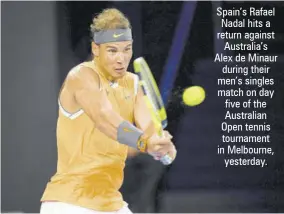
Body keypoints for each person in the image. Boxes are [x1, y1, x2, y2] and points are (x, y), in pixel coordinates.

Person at [40, 8, 177, 214]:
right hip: (69, 204)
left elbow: (147, 127)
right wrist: (145, 143)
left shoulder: (132, 83)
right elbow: (106, 120)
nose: (121, 58)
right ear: (96, 49)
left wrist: (160, 145)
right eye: (112, 50)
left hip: (111, 204)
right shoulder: (81, 77)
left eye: (126, 49)